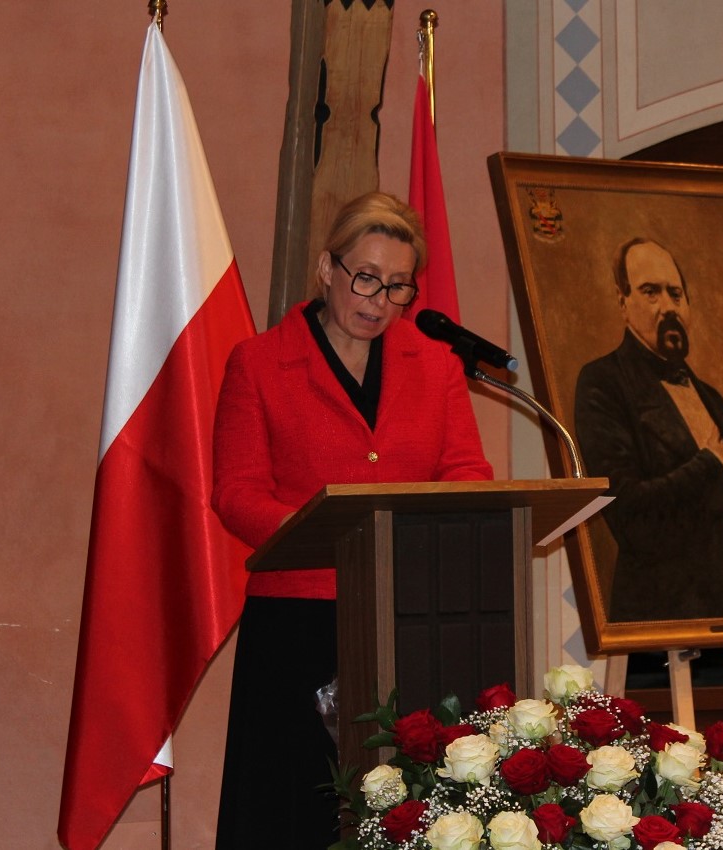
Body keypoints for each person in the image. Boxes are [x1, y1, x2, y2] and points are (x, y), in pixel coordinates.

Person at [211, 191, 493, 848]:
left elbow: (467, 471)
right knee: (296, 813)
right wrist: (333, 536)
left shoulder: (437, 365)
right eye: (365, 277)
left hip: (407, 613)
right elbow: (237, 493)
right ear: (326, 269)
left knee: (409, 809)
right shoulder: (259, 362)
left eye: (398, 286)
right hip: (298, 624)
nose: (379, 300)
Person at [574, 237, 723, 622]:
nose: (668, 307)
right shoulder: (603, 382)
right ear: (623, 302)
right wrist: (708, 467)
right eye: (650, 292)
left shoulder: (711, 397)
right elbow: (626, 511)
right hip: (675, 619)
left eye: (676, 294)